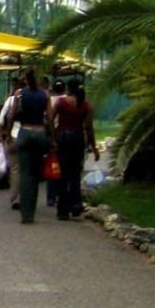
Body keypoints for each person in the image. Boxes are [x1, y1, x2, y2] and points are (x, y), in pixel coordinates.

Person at [54, 80, 98, 220]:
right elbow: (89, 128)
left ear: (68, 88)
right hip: (78, 140)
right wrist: (94, 147)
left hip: (63, 138)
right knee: (75, 173)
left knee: (63, 173)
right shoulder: (86, 106)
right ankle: (75, 205)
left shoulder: (61, 102)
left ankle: (62, 209)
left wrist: (52, 135)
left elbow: (50, 117)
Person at [14, 69, 53, 224]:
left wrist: (6, 133)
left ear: (26, 79)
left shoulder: (20, 93)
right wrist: (53, 138)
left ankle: (25, 213)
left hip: (24, 131)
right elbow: (50, 118)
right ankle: (31, 211)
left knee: (25, 174)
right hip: (39, 133)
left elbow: (12, 113)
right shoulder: (45, 95)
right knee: (35, 175)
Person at [0, 75, 25, 210]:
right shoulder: (34, 98)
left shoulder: (11, 100)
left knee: (14, 169)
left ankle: (14, 197)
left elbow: (2, 119)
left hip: (13, 136)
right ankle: (25, 197)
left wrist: (2, 135)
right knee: (27, 168)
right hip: (29, 135)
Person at [45, 80, 67, 206]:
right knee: (63, 167)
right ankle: (61, 194)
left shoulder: (50, 100)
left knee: (52, 165)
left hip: (53, 135)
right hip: (64, 135)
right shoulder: (67, 100)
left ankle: (51, 197)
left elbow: (48, 119)